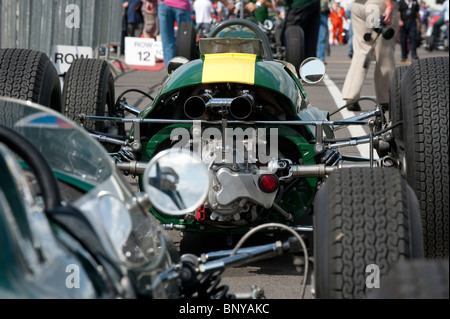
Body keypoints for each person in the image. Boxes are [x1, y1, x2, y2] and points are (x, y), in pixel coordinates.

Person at [341, 0, 398, 111]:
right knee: (384, 54)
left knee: (360, 52)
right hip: (378, 6)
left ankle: (351, 95)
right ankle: (385, 98)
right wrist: (389, 5)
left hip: (358, 6)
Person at [159, 0, 235, 66]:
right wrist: (227, 4)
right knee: (186, 42)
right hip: (181, 6)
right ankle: (181, 69)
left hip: (165, 5)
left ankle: (170, 70)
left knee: (168, 41)